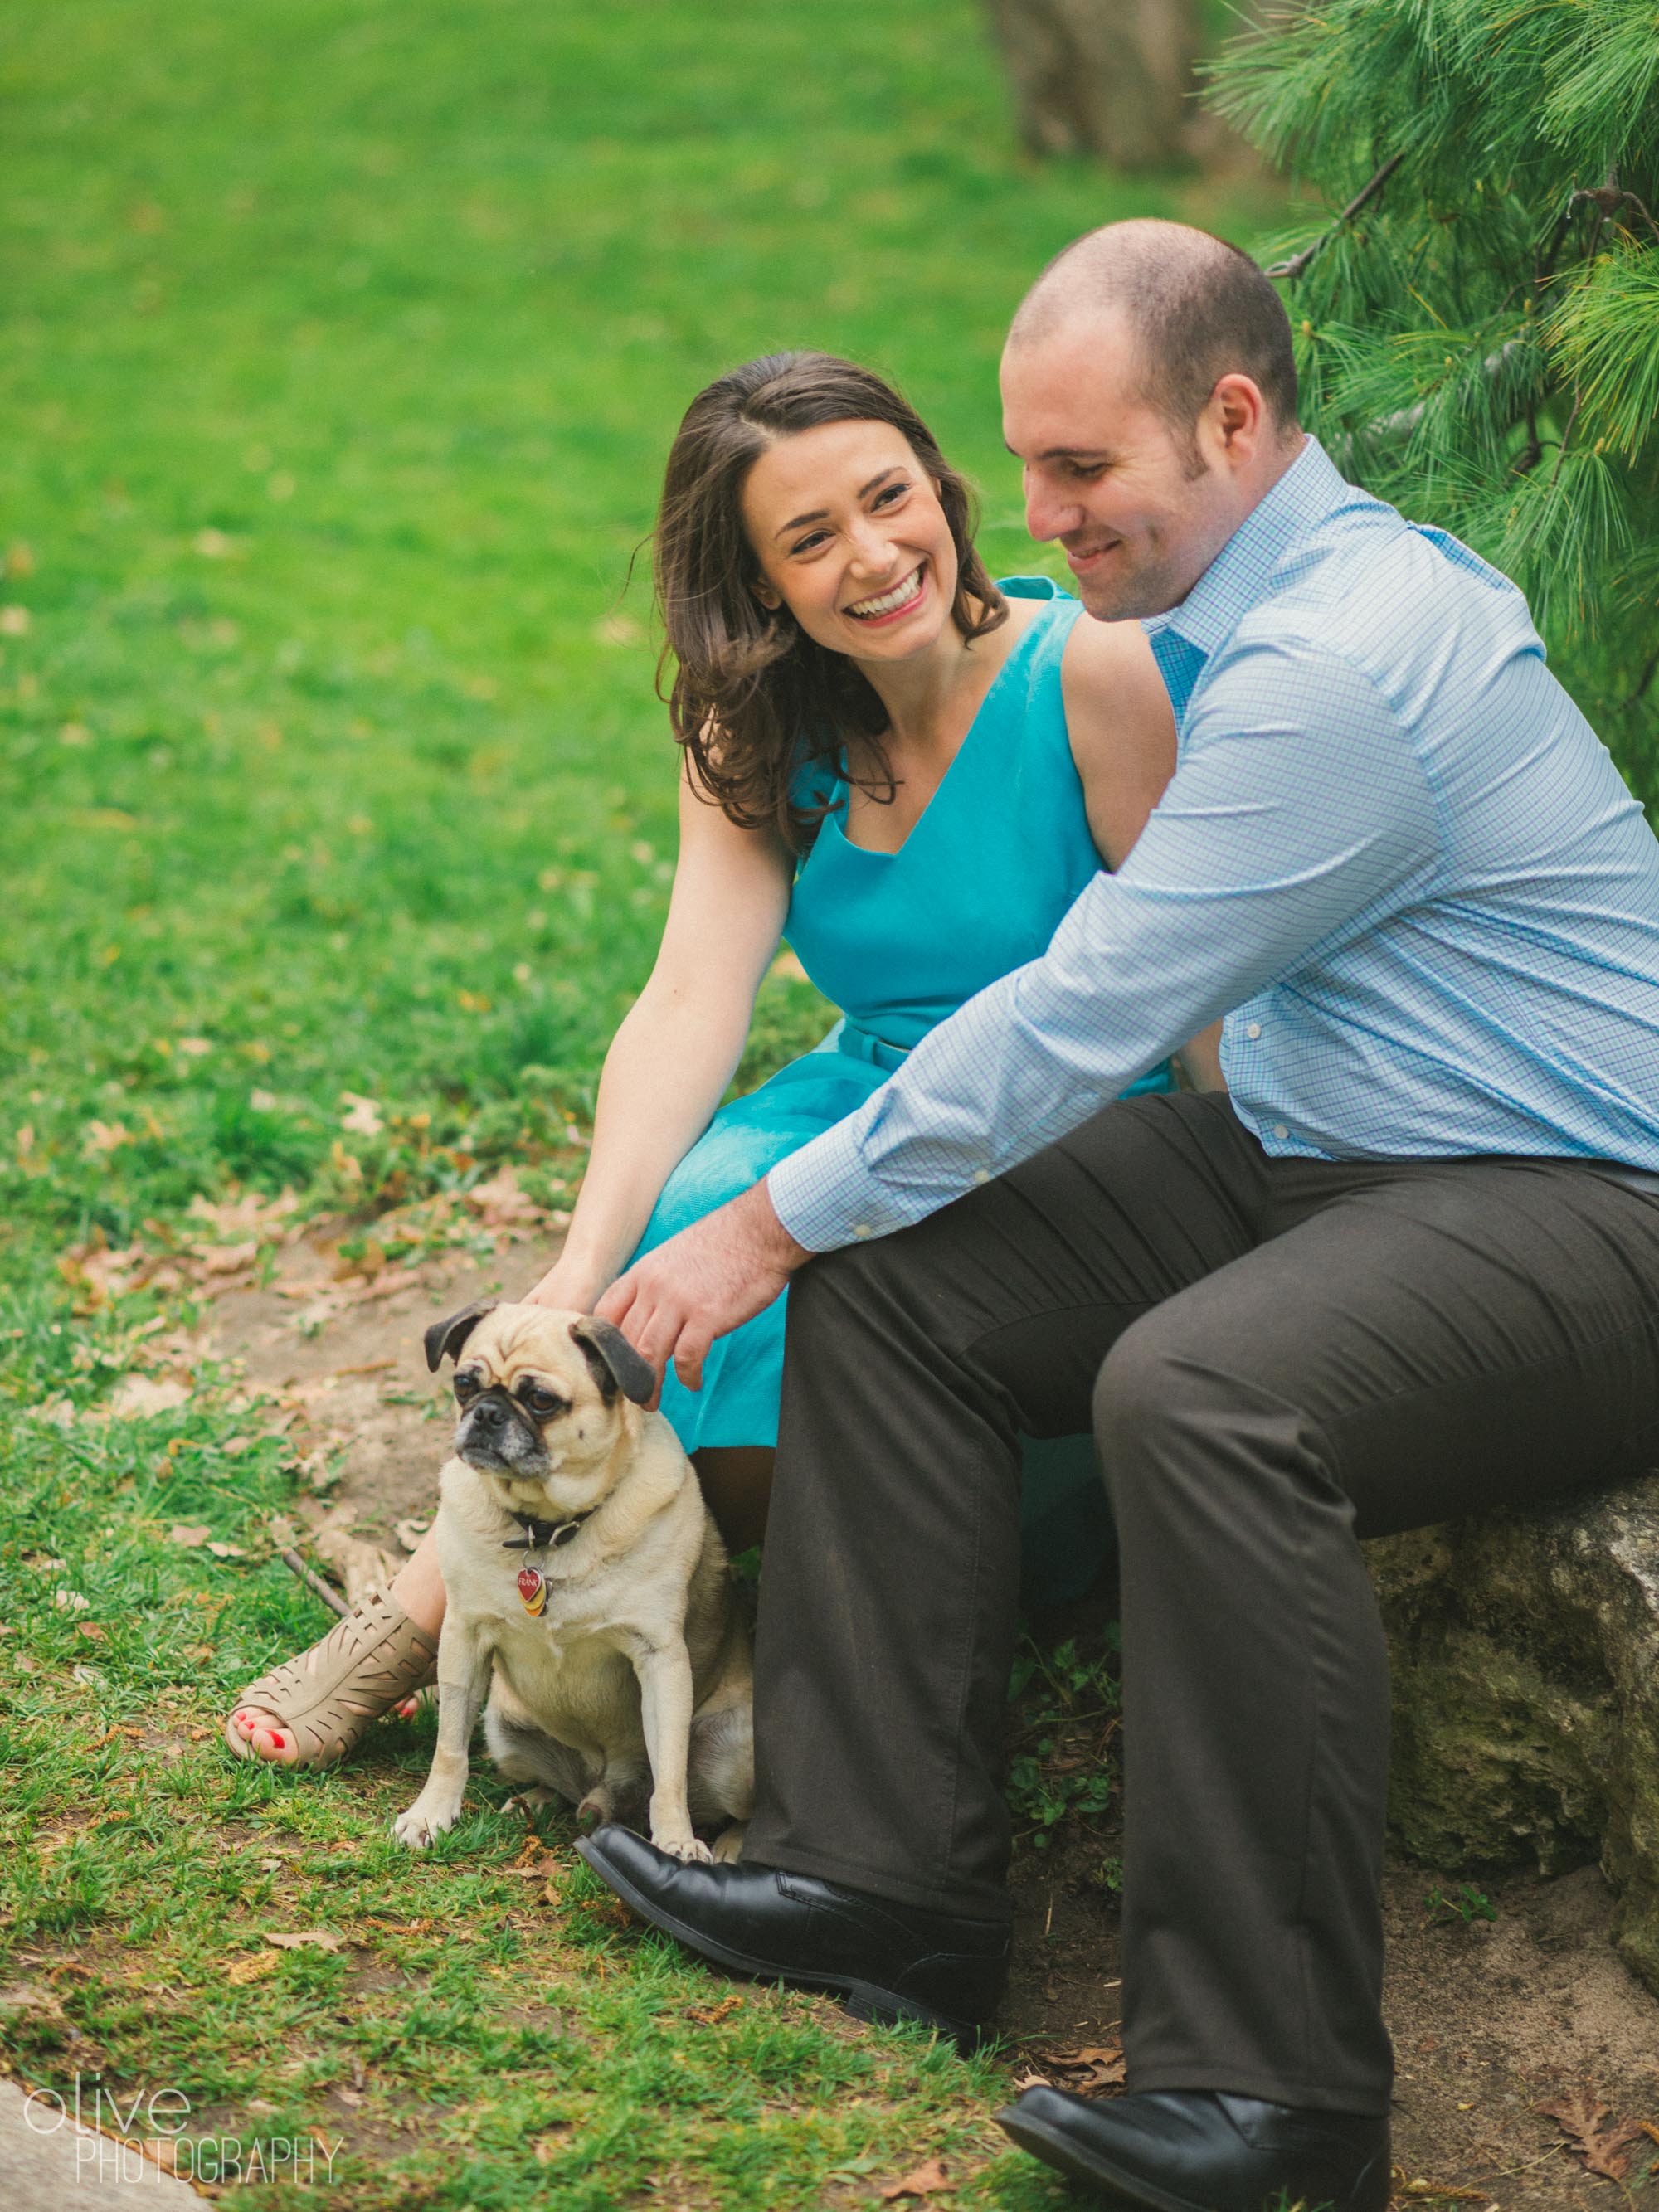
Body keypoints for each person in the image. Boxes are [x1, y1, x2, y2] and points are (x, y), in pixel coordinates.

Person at [572, 221, 1659, 2212]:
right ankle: (877, 1876)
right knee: (904, 1279)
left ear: (1230, 422)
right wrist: (810, 1228)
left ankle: (1272, 2097)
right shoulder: (1253, 597)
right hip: (1334, 1144)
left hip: (1589, 1202)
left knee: (1201, 1391)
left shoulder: (1336, 657)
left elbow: (1085, 1011)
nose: (1038, 515)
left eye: (1080, 471)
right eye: (1028, 462)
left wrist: (755, 1226)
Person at [224, 348, 1215, 1770]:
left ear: (943, 487)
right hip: (864, 1077)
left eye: (892, 498)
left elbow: (1198, 986)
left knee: (848, 1274)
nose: (876, 555)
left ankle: (474, 1611)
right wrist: (577, 1269)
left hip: (1060, 1115)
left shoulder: (1096, 679)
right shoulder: (757, 722)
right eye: (811, 539)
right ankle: (492, 1604)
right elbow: (694, 991)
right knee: (680, 1242)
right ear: (759, 585)